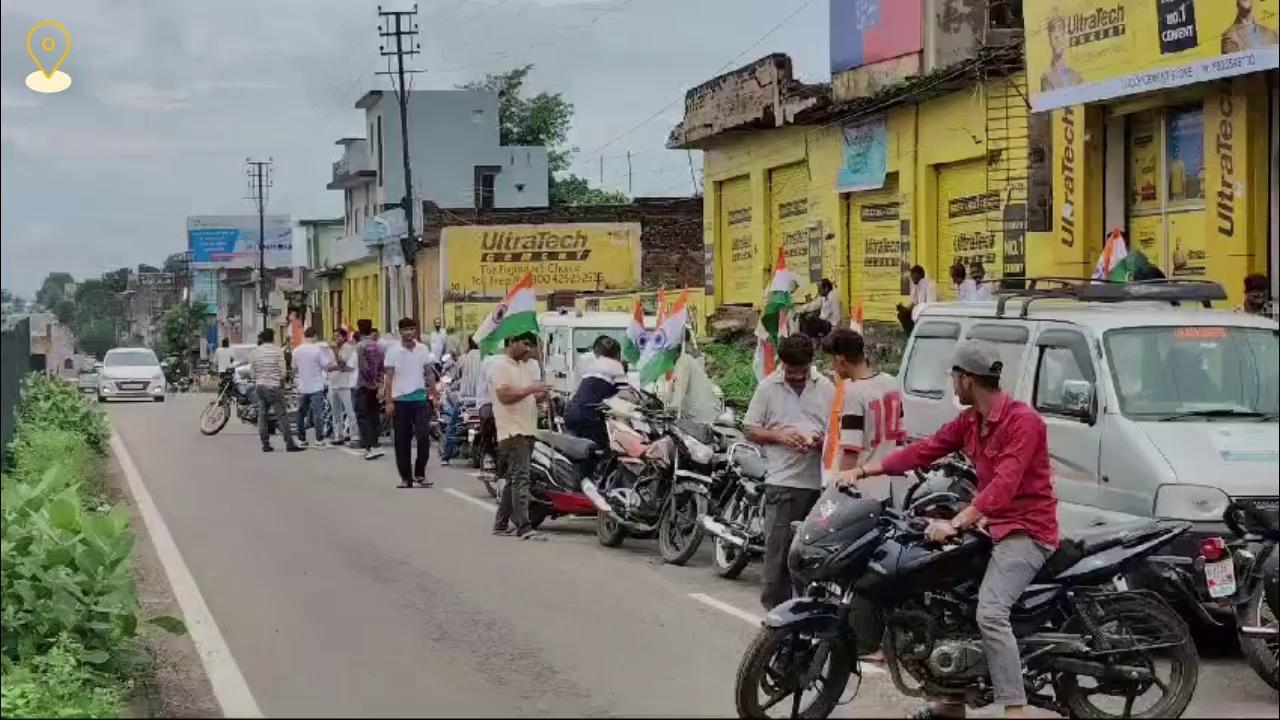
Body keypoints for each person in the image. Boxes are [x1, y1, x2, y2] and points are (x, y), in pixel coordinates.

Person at [840, 339, 1059, 720]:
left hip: (1027, 531)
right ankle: (952, 700)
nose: (952, 382)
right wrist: (863, 471)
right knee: (949, 605)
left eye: (954, 376)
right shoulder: (970, 421)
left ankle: (1016, 707)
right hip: (992, 527)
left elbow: (1004, 486)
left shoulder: (1023, 422)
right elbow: (924, 451)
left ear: (968, 380)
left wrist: (956, 522)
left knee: (990, 613)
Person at [744, 334, 835, 610]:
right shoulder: (768, 388)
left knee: (814, 557)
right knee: (779, 557)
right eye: (791, 371)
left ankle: (808, 613)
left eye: (802, 371)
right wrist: (779, 437)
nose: (796, 376)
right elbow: (750, 429)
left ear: (811, 364)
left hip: (820, 486)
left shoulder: (827, 388)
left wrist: (822, 442)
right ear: (782, 364)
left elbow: (838, 431)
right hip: (783, 484)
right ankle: (776, 618)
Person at [490, 332, 550, 541]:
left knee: (514, 479)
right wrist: (531, 388)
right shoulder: (501, 366)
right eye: (524, 344)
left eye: (530, 346)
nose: (528, 350)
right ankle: (524, 525)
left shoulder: (523, 368)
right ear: (512, 342)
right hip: (513, 430)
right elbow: (504, 396)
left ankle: (501, 522)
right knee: (521, 478)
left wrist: (541, 394)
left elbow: (526, 396)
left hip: (526, 428)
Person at [383, 318, 436, 488]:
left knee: (423, 438)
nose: (409, 332)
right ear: (400, 331)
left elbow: (429, 373)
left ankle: (420, 473)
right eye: (405, 329)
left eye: (412, 329)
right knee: (402, 441)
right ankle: (406, 478)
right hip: (400, 400)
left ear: (415, 331)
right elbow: (389, 378)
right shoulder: (393, 351)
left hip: (420, 399)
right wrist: (389, 401)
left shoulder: (422, 349)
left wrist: (434, 393)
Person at [564, 335, 626, 448]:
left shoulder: (592, 363)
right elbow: (625, 394)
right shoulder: (616, 366)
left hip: (573, 411)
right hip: (587, 414)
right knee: (600, 447)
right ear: (617, 354)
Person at [249, 328, 302, 453]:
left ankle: (265, 444)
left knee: (262, 415)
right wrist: (281, 384)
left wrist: (259, 379)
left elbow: (252, 374)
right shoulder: (277, 351)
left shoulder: (254, 352)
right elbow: (283, 372)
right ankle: (289, 443)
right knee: (282, 414)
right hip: (273, 386)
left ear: (261, 338)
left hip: (260, 387)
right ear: (273, 338)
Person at [662, 338, 721, 424]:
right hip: (697, 413)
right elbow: (670, 389)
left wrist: (670, 409)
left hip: (701, 415)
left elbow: (680, 389)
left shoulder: (683, 362)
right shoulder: (677, 363)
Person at [292, 327, 331, 448]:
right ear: (314, 336)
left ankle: (301, 438)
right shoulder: (317, 350)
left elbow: (293, 368)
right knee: (317, 413)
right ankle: (319, 439)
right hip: (316, 386)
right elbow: (326, 366)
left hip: (302, 386)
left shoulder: (297, 350)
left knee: (301, 413)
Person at [354, 320, 386, 460]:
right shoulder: (378, 346)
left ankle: (370, 445)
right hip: (375, 386)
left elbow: (363, 367)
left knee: (362, 415)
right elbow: (382, 366)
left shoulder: (360, 346)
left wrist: (369, 381)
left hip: (363, 385)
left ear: (359, 330)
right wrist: (378, 382)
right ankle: (376, 443)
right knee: (374, 415)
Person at [327, 327, 359, 446]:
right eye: (334, 336)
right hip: (332, 384)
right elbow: (327, 366)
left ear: (344, 337)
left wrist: (336, 353)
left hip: (345, 384)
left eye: (338, 336)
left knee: (350, 412)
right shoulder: (329, 350)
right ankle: (338, 435)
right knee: (335, 413)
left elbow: (343, 365)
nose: (336, 339)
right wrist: (336, 365)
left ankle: (354, 435)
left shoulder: (349, 349)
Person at [1041, 14, 1083, 91]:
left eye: (1060, 29)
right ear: (1049, 38)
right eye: (1053, 31)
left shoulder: (1076, 76)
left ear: (1065, 36)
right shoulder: (1047, 78)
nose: (1057, 36)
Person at [897, 265, 936, 334]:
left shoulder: (930, 285)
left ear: (917, 275)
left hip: (928, 315)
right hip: (919, 313)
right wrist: (904, 308)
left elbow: (930, 306)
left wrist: (917, 310)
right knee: (902, 314)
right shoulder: (917, 286)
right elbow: (914, 303)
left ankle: (916, 333)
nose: (911, 278)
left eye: (912, 276)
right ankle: (911, 334)